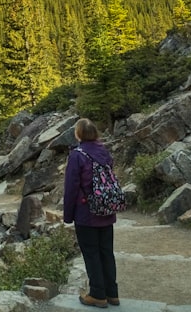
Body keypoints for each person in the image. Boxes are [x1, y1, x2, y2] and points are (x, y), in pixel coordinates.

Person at [63, 117, 119, 308]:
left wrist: (68, 215)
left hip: (86, 213)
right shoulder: (104, 152)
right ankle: (112, 294)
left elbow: (71, 187)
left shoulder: (77, 155)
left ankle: (97, 294)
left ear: (78, 134)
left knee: (91, 253)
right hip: (106, 210)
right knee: (106, 253)